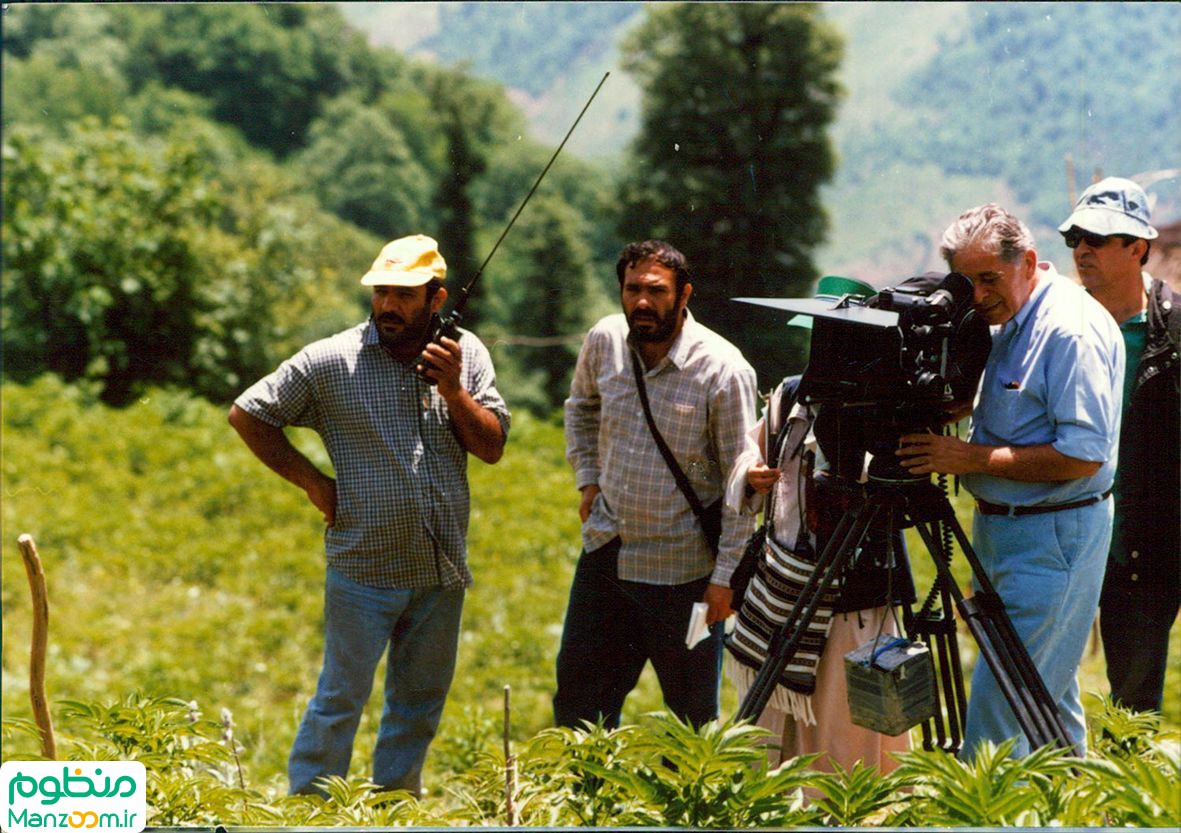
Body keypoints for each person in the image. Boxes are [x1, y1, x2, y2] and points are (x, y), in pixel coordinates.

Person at [228, 234, 509, 796]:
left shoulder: (466, 354)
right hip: (364, 568)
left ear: (436, 298)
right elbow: (248, 413)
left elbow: (492, 446)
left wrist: (454, 391)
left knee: (419, 704)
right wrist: (314, 484)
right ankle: (312, 810)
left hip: (440, 570)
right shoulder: (334, 359)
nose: (388, 305)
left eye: (404, 294)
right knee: (340, 699)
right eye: (381, 291)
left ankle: (395, 810)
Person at [896, 204, 1124, 758]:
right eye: (965, 281)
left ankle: (983, 814)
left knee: (999, 712)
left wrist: (967, 457)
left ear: (1028, 261)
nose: (976, 296)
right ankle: (1076, 809)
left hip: (1054, 536)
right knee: (1047, 697)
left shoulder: (1067, 331)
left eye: (988, 279)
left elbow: (1082, 456)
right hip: (1005, 530)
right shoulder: (1008, 318)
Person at [555, 239, 758, 729]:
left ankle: (684, 806)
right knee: (580, 704)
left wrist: (724, 580)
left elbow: (742, 489)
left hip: (685, 572)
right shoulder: (605, 340)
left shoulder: (723, 370)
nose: (642, 302)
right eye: (632, 290)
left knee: (690, 717)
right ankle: (587, 802)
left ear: (683, 294)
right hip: (608, 553)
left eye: (656, 291)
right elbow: (580, 408)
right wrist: (587, 480)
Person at [724, 276, 916, 773]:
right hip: (787, 580)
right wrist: (753, 473)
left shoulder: (882, 405)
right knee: (776, 720)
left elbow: (903, 487)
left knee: (844, 721)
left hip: (856, 590)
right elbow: (751, 449)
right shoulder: (791, 395)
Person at [1058, 177, 1180, 715]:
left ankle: (1133, 799)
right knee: (1052, 687)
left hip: (1152, 545)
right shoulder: (1058, 328)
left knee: (1134, 705)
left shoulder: (1174, 331)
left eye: (1098, 239)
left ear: (1138, 248)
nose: (1083, 250)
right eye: (1075, 238)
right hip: (1074, 540)